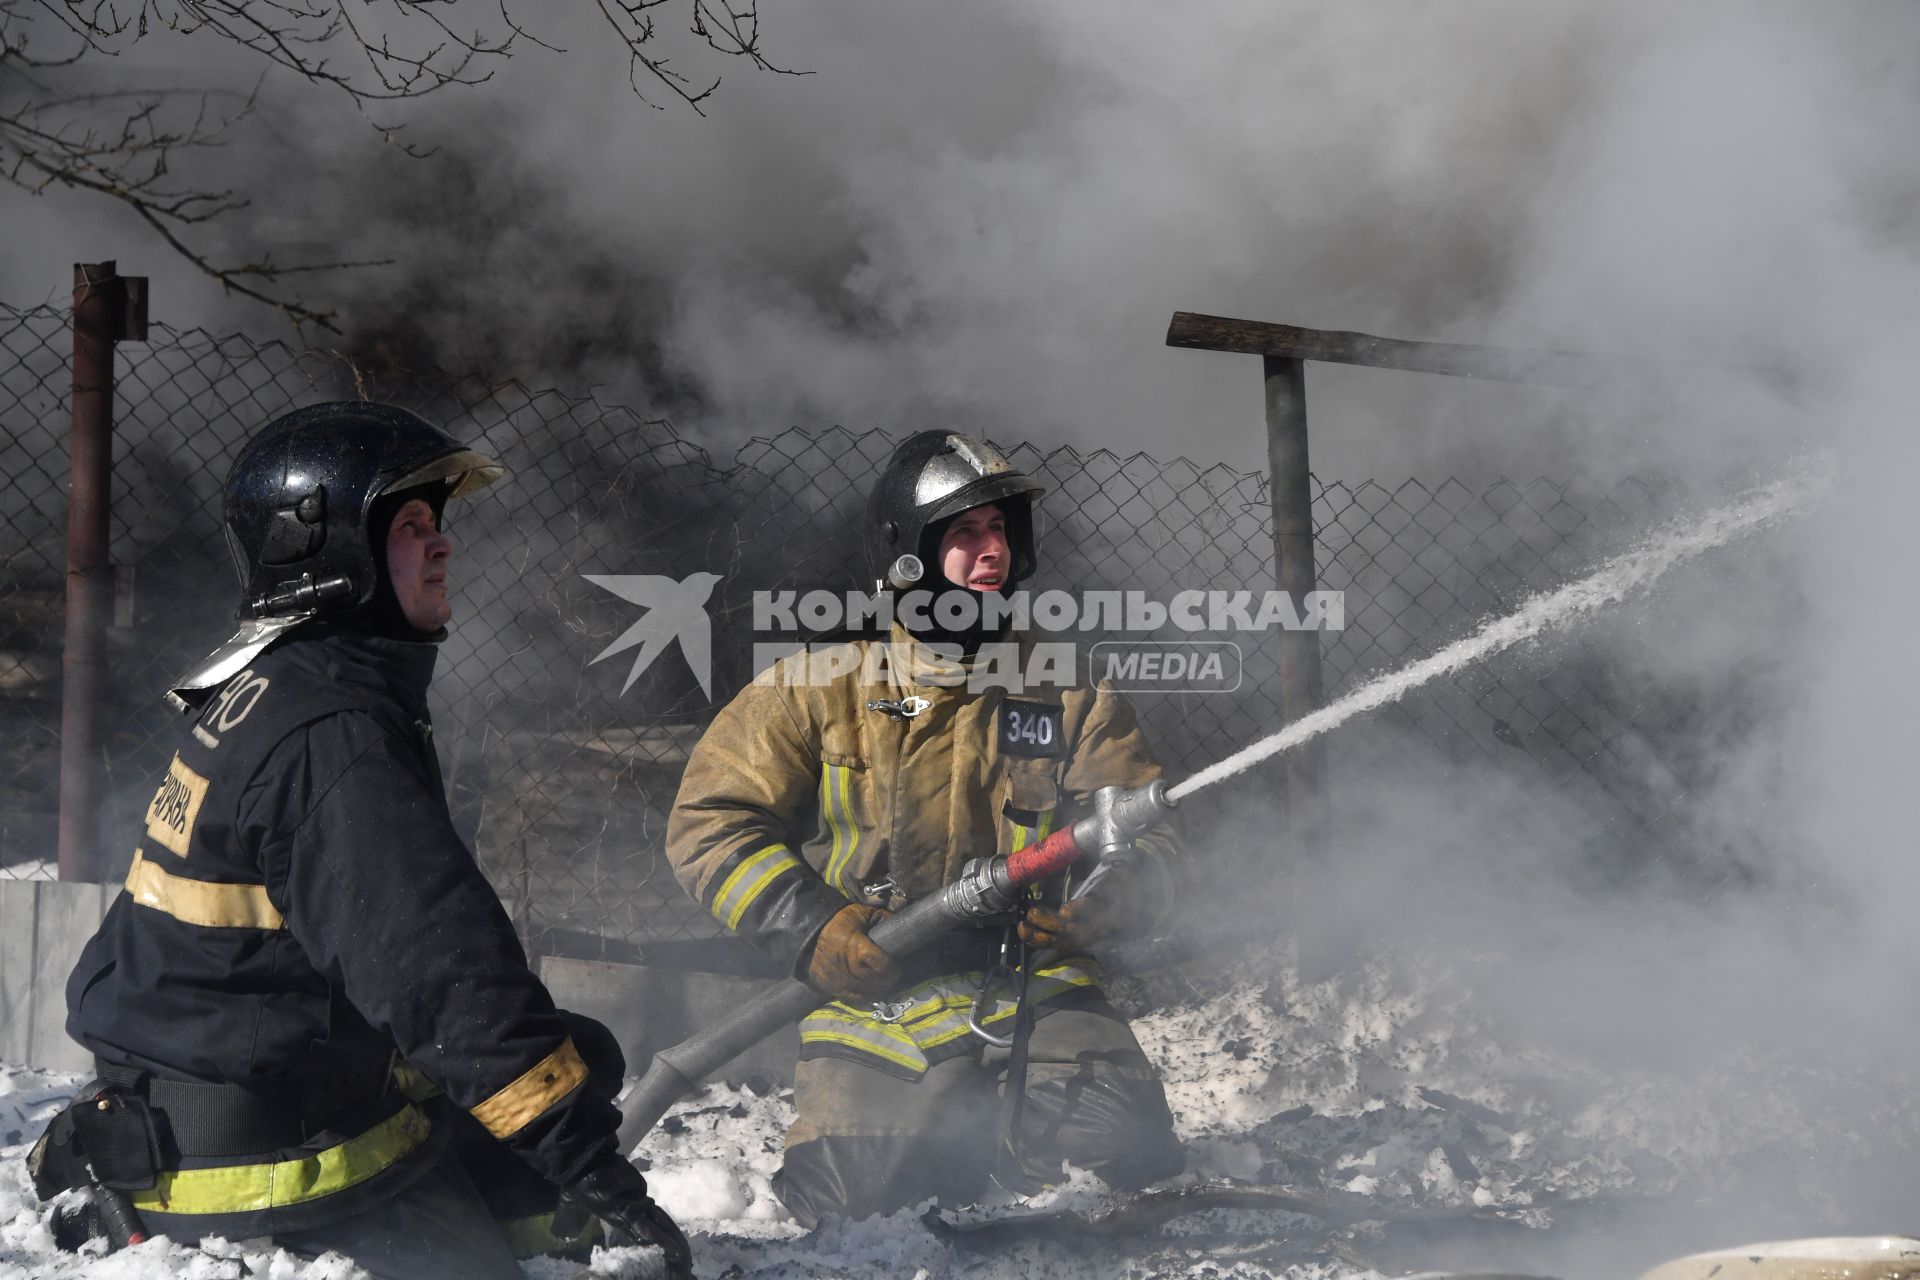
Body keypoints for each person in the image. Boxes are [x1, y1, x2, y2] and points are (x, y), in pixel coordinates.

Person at [33, 402, 690, 1279]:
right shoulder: (332, 734)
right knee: (517, 1180)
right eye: (412, 525)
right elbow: (446, 980)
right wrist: (607, 1184)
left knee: (582, 1058)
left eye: (435, 523)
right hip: (253, 1172)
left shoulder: (280, 684)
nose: (443, 544)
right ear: (328, 549)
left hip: (203, 1098)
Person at [667, 429, 1187, 1225]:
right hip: (875, 988)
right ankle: (947, 1128)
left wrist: (1116, 897)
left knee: (1122, 1148)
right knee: (856, 1198)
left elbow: (1146, 829)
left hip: (1028, 981)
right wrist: (817, 928)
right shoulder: (819, 688)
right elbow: (710, 825)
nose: (995, 553)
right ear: (905, 556)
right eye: (967, 534)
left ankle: (993, 1130)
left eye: (1003, 531)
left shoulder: (1064, 687)